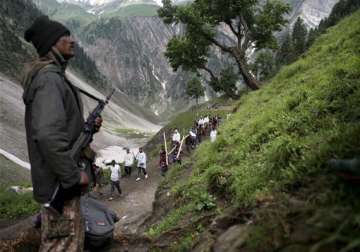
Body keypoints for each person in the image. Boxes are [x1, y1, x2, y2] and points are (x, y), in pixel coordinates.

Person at [22, 15, 102, 251]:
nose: (72, 41)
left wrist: (89, 129)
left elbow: (61, 130)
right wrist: (73, 176)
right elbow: (47, 135)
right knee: (61, 246)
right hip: (61, 185)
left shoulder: (53, 77)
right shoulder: (49, 80)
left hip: (60, 184)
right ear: (52, 44)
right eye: (65, 36)